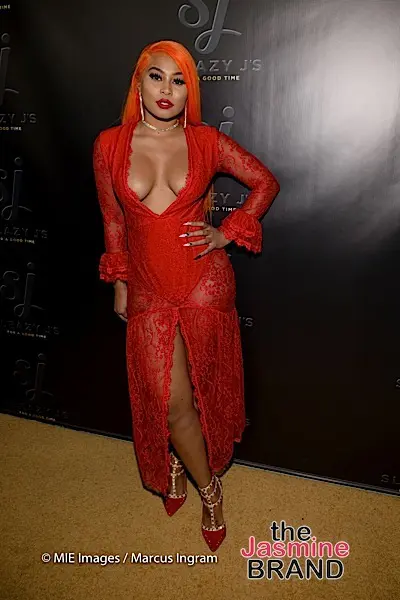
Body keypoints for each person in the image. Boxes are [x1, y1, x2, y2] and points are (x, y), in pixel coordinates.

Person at [93, 39, 280, 552]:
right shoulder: (108, 145)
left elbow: (264, 183)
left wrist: (226, 232)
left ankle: (202, 488)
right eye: (157, 76)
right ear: (138, 83)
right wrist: (120, 282)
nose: (167, 89)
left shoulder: (206, 141)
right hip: (148, 286)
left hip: (204, 282)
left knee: (201, 389)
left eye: (179, 81)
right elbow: (113, 219)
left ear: (188, 91)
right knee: (169, 400)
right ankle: (207, 482)